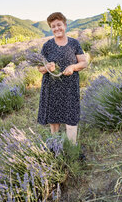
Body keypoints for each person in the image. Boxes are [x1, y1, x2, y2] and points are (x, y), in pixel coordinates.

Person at [37, 12, 87, 144]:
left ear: (65, 25)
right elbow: (40, 68)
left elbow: (84, 62)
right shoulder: (47, 46)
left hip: (70, 87)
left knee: (71, 117)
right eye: (53, 26)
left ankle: (71, 148)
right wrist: (47, 67)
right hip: (52, 88)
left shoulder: (74, 43)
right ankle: (56, 145)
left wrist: (73, 67)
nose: (56, 28)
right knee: (54, 119)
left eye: (59, 25)